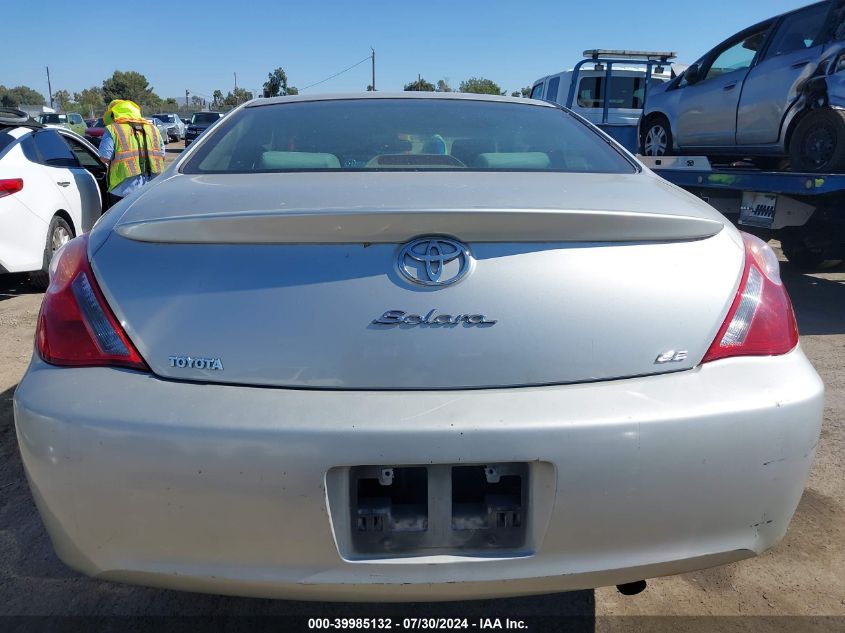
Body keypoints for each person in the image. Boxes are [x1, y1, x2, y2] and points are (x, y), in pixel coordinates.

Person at [97, 99, 165, 207]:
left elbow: (104, 158)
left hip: (122, 190)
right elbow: (162, 155)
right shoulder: (153, 129)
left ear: (114, 114)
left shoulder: (113, 129)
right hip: (151, 189)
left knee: (122, 223)